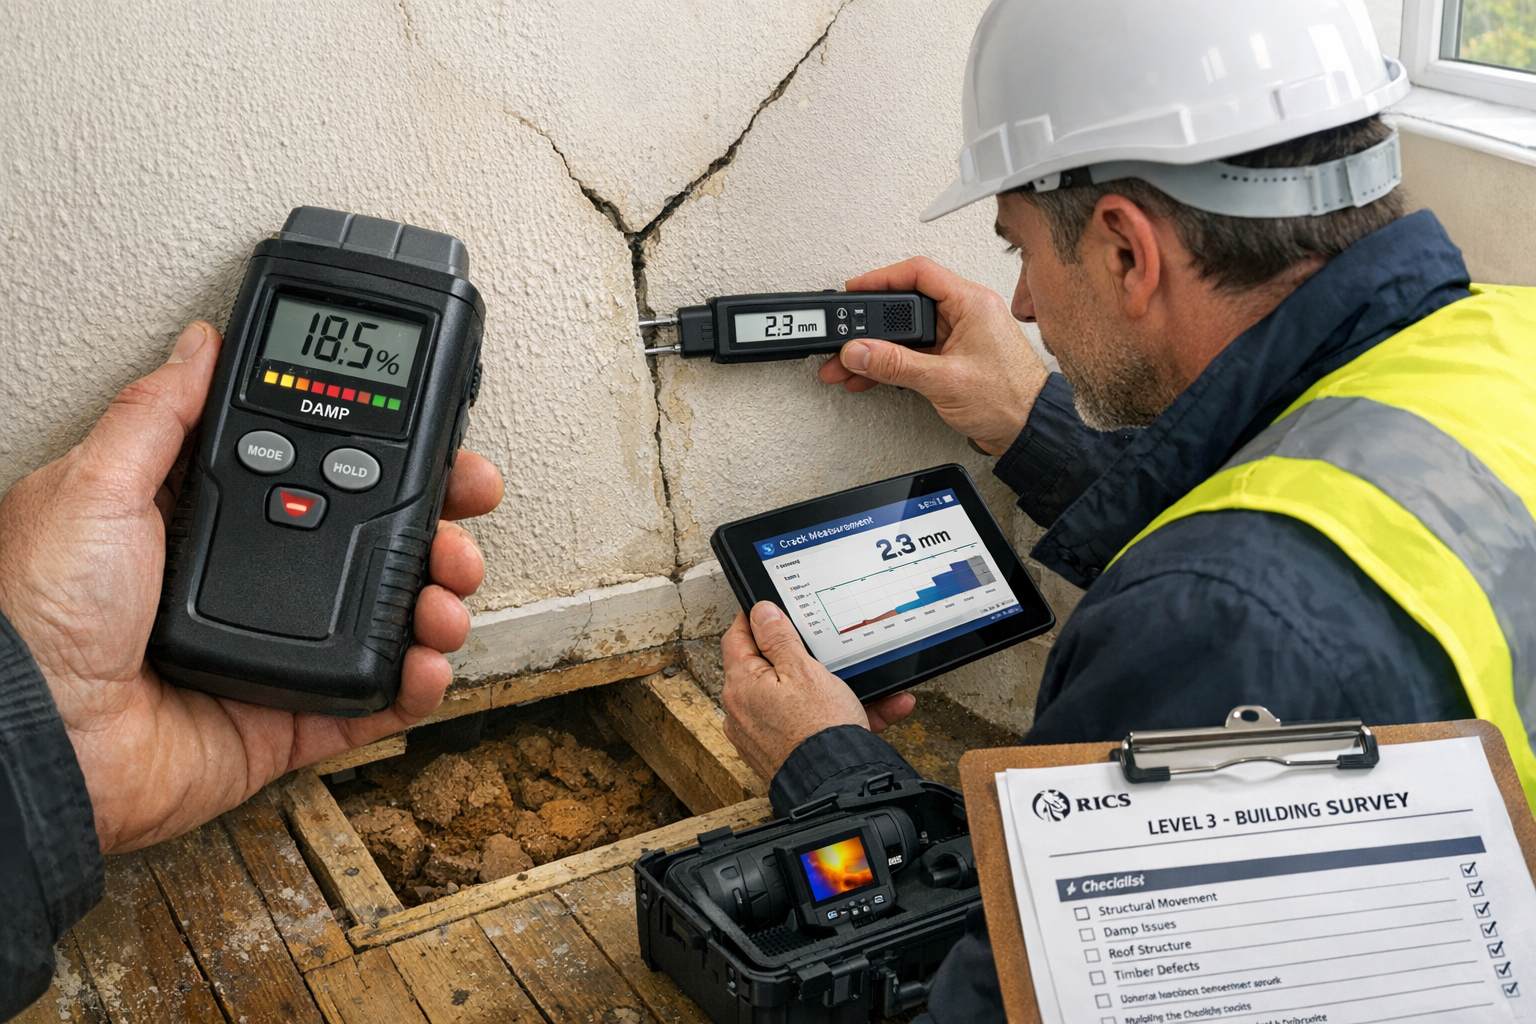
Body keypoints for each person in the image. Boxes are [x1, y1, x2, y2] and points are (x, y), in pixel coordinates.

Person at [719, 1, 1536, 1019]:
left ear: (1124, 250)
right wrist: (1033, 422)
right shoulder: (1510, 337)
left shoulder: (1216, 626)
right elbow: (1308, 482)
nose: (1019, 306)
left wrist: (831, 774)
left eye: (1019, 247)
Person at [0, 321, 504, 1017]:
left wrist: (58, 760)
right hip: (148, 689)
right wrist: (64, 731)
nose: (330, 387)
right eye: (317, 346)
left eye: (369, 359)